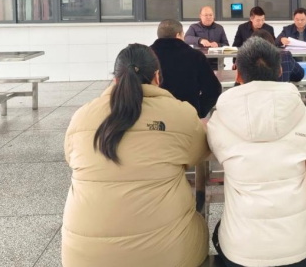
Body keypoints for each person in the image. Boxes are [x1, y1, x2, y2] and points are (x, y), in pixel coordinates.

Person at [62, 44, 209, 267]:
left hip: (82, 259)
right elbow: (199, 153)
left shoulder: (82, 116)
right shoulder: (180, 112)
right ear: (157, 77)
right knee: (201, 225)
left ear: (115, 79)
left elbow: (71, 158)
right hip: (166, 256)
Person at [207, 37, 306, 267]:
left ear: (238, 75)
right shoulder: (302, 113)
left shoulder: (220, 118)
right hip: (297, 245)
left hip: (241, 248)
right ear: (280, 71)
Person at [150, 19, 222, 118]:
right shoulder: (195, 56)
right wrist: (198, 112)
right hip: (187, 116)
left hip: (154, 116)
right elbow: (213, 90)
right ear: (178, 35)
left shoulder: (147, 56)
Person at [185, 6, 229, 70]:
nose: (208, 17)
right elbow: (186, 39)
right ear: (200, 16)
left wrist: (218, 45)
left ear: (213, 16)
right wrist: (200, 40)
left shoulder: (219, 28)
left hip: (216, 63)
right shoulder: (194, 27)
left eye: (210, 15)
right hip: (198, 62)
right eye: (206, 15)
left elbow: (226, 45)